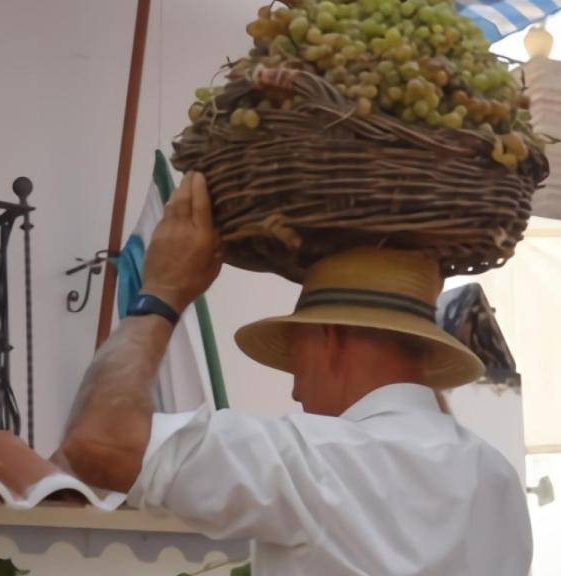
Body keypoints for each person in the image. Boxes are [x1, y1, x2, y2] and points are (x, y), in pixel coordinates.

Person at [57, 172, 533, 575]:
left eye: (294, 354)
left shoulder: (315, 461)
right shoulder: (497, 477)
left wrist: (160, 295)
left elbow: (98, 441)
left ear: (329, 338)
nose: (295, 387)